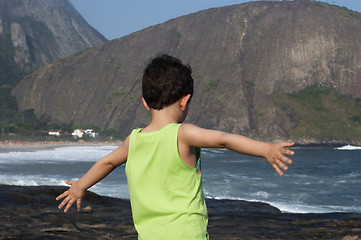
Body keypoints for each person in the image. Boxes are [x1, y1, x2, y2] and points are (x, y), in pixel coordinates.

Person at [56, 54, 294, 239]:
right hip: (187, 234)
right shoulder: (183, 134)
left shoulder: (134, 139)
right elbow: (224, 139)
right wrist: (266, 150)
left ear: (145, 103)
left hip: (149, 235)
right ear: (185, 100)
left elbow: (107, 162)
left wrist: (81, 186)